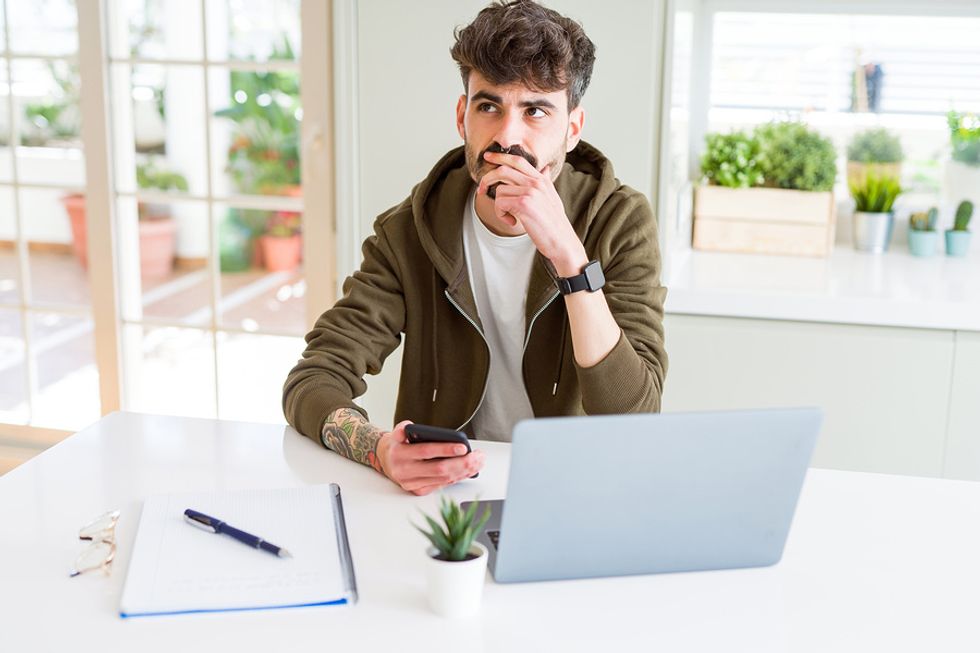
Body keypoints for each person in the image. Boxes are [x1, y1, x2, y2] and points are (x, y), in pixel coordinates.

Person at [283, 0, 667, 495]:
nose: (508, 136)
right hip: (448, 496)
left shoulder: (620, 221)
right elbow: (313, 379)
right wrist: (378, 450)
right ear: (463, 115)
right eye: (489, 106)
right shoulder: (408, 232)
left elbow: (634, 415)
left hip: (577, 488)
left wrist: (571, 260)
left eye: (535, 111)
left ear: (572, 129)